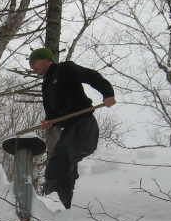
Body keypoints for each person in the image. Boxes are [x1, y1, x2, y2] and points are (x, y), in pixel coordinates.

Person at [29, 47, 116, 209]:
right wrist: (49, 121)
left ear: (46, 59)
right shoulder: (46, 84)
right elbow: (52, 113)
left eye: (33, 62)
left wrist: (107, 93)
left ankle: (86, 210)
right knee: (54, 173)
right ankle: (72, 207)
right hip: (67, 131)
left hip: (83, 125)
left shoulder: (64, 69)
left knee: (78, 170)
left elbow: (91, 76)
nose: (31, 67)